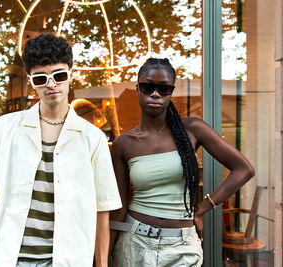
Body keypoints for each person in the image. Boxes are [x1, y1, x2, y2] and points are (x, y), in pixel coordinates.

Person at [0, 33, 122, 267]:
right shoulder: (3, 129)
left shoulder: (93, 138)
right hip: (10, 259)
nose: (51, 84)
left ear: (71, 75)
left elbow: (101, 211)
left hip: (67, 260)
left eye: (59, 75)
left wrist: (101, 265)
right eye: (40, 78)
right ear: (31, 80)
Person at [109, 58, 255, 266]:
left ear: (172, 92)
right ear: (138, 89)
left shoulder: (192, 129)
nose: (155, 93)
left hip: (182, 246)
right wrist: (104, 257)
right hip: (134, 243)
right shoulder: (123, 144)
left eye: (164, 88)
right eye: (148, 86)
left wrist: (204, 207)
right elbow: (119, 208)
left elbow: (244, 169)